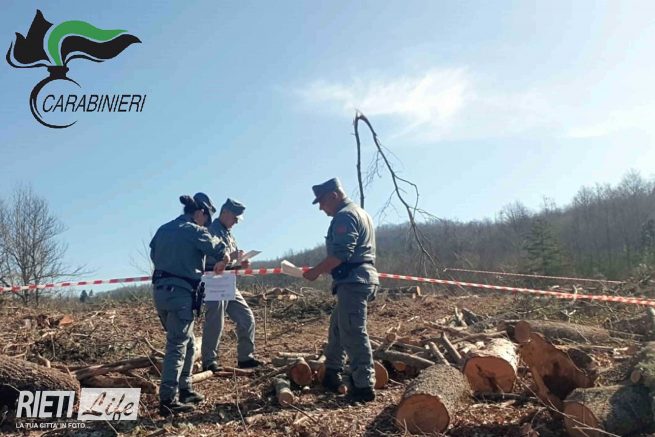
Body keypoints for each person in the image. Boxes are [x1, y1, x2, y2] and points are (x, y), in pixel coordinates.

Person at [150, 193, 229, 416]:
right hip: (181, 294)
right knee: (177, 345)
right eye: (207, 219)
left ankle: (185, 388)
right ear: (200, 213)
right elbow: (219, 249)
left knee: (189, 342)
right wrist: (225, 259)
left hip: (160, 293)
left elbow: (155, 255)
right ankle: (168, 399)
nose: (206, 225)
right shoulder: (195, 231)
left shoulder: (163, 230)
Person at [303, 177, 379, 403]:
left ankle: (364, 385)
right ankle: (332, 372)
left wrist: (315, 271)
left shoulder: (345, 216)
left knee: (353, 331)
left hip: (354, 281)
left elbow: (341, 254)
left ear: (333, 196)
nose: (321, 208)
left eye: (321, 202)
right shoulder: (359, 213)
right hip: (356, 279)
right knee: (338, 327)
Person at [201, 198, 263, 371]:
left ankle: (245, 358)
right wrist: (230, 256)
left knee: (246, 317)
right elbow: (209, 258)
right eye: (235, 218)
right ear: (225, 213)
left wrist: (241, 263)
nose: (236, 222)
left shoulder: (229, 235)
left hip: (228, 281)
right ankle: (209, 361)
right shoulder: (210, 230)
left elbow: (230, 262)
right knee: (215, 321)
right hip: (214, 280)